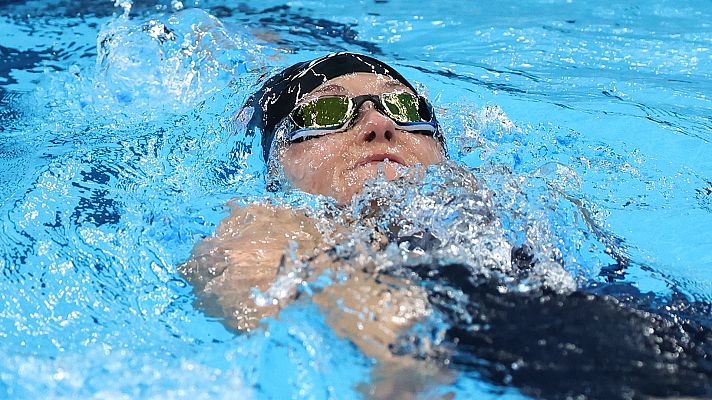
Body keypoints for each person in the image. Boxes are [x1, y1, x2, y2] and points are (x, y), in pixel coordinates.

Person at [180, 52, 712, 399]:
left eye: (404, 107)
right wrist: (402, 373)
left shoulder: (499, 192)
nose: (378, 125)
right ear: (274, 168)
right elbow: (261, 294)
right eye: (325, 115)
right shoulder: (274, 219)